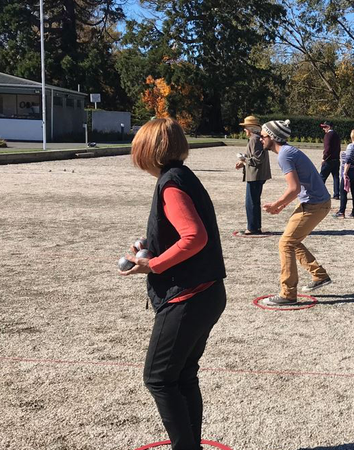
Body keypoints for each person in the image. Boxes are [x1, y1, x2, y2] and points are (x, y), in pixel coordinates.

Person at [120, 118, 227, 450]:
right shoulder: (183, 177)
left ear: (147, 151)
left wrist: (153, 264)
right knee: (182, 376)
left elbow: (194, 237)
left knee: (159, 378)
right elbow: (182, 233)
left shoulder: (171, 183)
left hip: (189, 297)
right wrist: (149, 246)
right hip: (207, 293)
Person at [261, 119, 333, 306]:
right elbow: (298, 188)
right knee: (291, 240)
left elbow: (294, 188)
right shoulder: (288, 152)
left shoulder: (284, 155)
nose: (261, 139)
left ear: (272, 137)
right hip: (316, 202)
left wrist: (277, 204)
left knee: (285, 243)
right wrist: (282, 206)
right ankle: (320, 276)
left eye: (263, 136)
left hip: (315, 204)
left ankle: (288, 294)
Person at [236, 115, 271, 234]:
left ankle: (252, 228)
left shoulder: (254, 139)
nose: (244, 130)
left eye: (245, 128)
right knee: (254, 201)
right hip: (258, 175)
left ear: (250, 128)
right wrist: (243, 161)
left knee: (251, 202)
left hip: (255, 175)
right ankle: (255, 227)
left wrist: (244, 160)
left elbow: (257, 160)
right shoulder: (258, 138)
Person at [336, 128, 354, 218]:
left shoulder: (351, 146)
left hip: (350, 171)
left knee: (343, 191)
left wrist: (345, 172)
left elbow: (348, 160)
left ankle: (341, 211)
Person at [319, 120, 341, 200]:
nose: (323, 129)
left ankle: (319, 192)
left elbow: (327, 148)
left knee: (322, 177)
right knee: (336, 177)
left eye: (324, 127)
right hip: (336, 159)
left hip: (329, 160)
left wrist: (324, 158)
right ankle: (336, 194)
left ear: (328, 127)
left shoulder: (328, 135)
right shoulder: (336, 134)